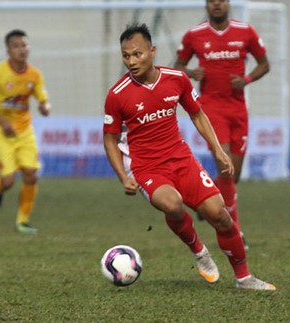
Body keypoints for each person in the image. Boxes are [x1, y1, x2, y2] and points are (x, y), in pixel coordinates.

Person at [103, 23, 275, 290]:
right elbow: (110, 139)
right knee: (173, 204)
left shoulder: (176, 79)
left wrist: (217, 149)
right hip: (147, 167)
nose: (131, 61)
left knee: (220, 215)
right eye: (126, 56)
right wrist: (123, 175)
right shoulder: (117, 95)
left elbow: (197, 113)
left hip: (181, 159)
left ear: (152, 51)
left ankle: (244, 278)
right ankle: (198, 249)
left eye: (137, 54)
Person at [174, 0, 270, 249]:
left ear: (228, 4)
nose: (217, 4)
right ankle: (235, 232)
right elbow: (178, 66)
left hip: (238, 110)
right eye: (211, 0)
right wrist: (192, 73)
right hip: (210, 109)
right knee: (225, 168)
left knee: (233, 175)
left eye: (221, 0)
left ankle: (201, 201)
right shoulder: (194, 35)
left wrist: (247, 79)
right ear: (207, 5)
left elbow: (264, 64)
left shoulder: (245, 31)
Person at [0, 29, 51, 234]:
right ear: (8, 51)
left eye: (24, 45)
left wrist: (45, 107)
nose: (21, 49)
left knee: (31, 174)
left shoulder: (34, 75)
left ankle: (22, 221)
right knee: (8, 180)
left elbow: (43, 100)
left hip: (24, 129)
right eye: (16, 46)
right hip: (0, 131)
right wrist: (2, 121)